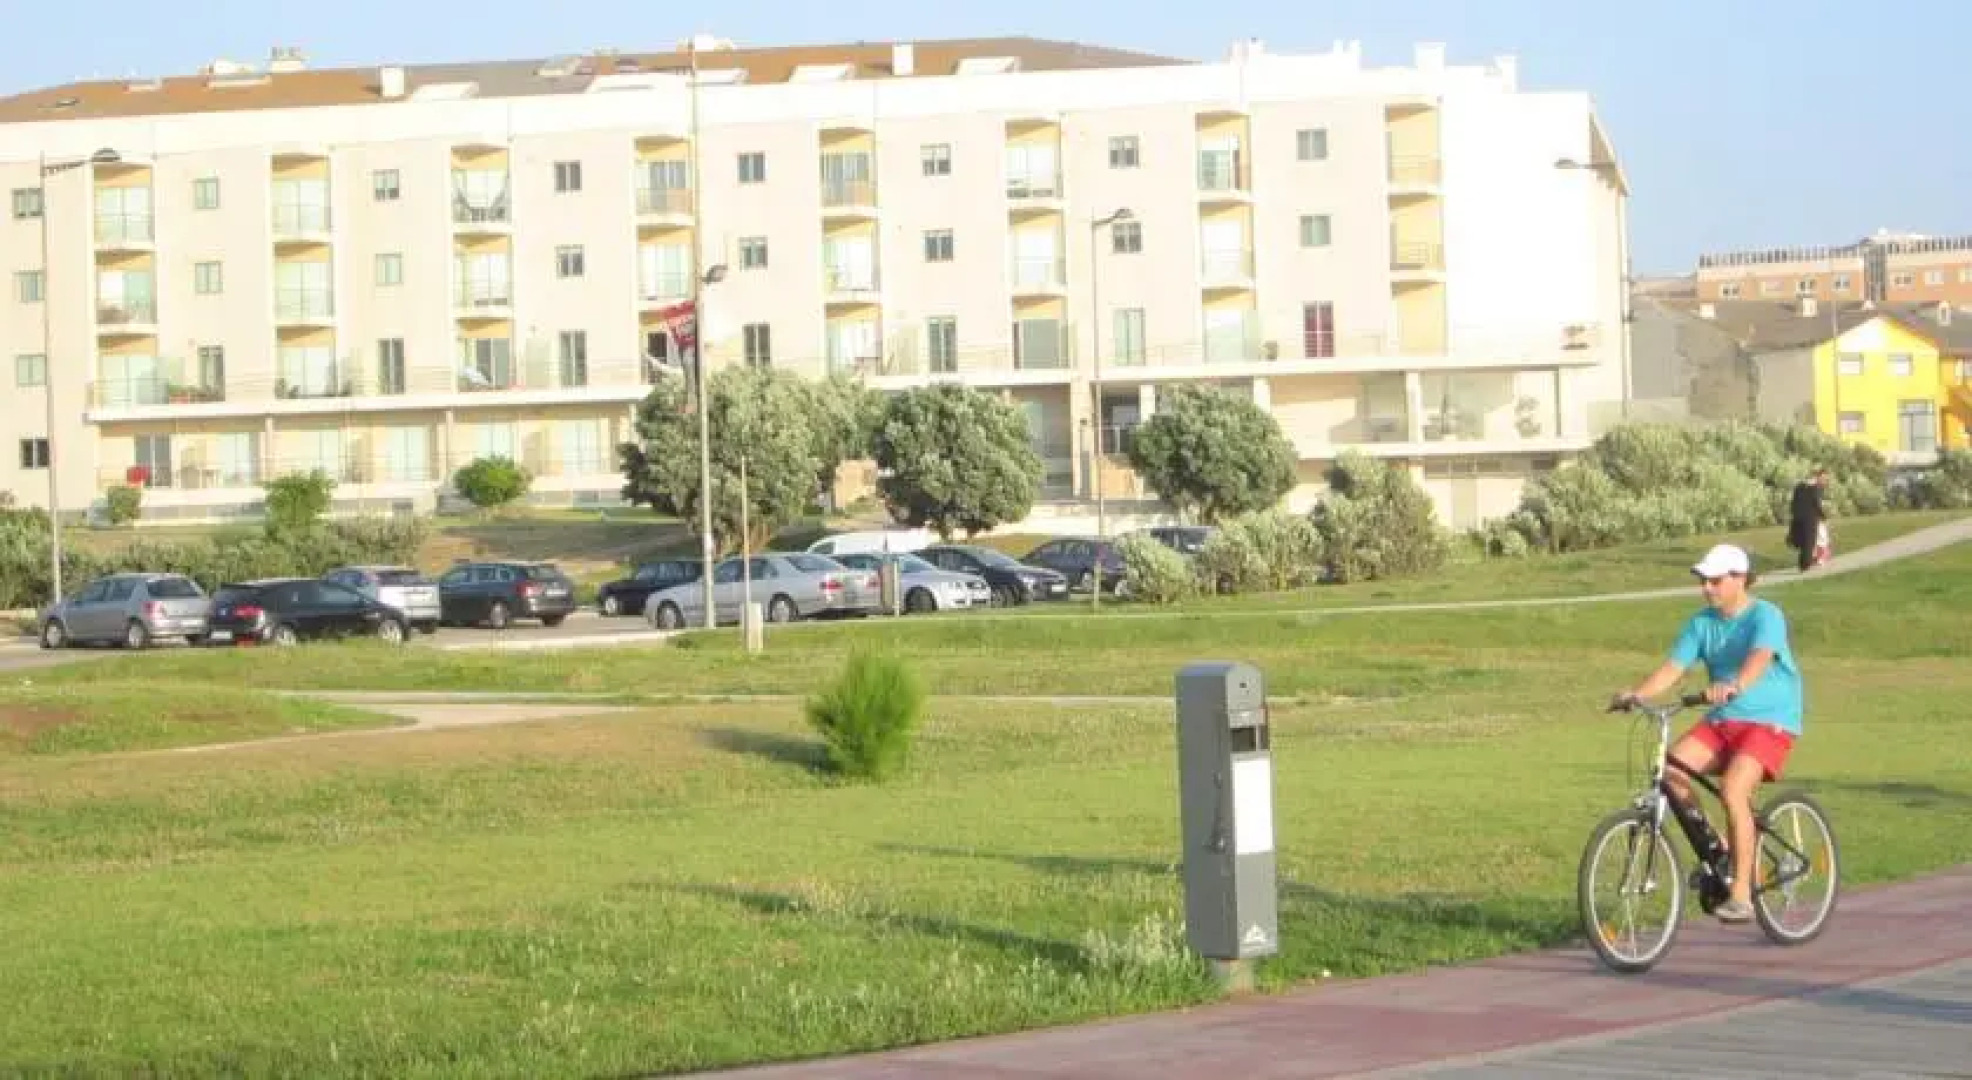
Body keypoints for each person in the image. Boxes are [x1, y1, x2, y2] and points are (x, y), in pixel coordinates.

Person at [1612, 542, 1803, 924]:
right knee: (1671, 772)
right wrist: (1637, 694)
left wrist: (1735, 684)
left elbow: (1758, 659)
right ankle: (1722, 848)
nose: (1707, 589)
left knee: (1734, 789)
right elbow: (1672, 669)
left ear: (1740, 579)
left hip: (1770, 719)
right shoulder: (1701, 624)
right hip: (1723, 720)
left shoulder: (1766, 615)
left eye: (1715, 581)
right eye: (1704, 581)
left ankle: (1742, 894)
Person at [1787, 468, 1830, 572]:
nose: (1824, 481)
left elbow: (1793, 502)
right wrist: (1823, 516)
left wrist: (1793, 513)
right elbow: (1816, 504)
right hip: (1810, 518)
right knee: (1809, 541)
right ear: (1817, 477)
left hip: (1798, 517)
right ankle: (1805, 564)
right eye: (1823, 478)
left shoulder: (1799, 486)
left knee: (1802, 541)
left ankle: (1803, 563)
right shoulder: (1816, 488)